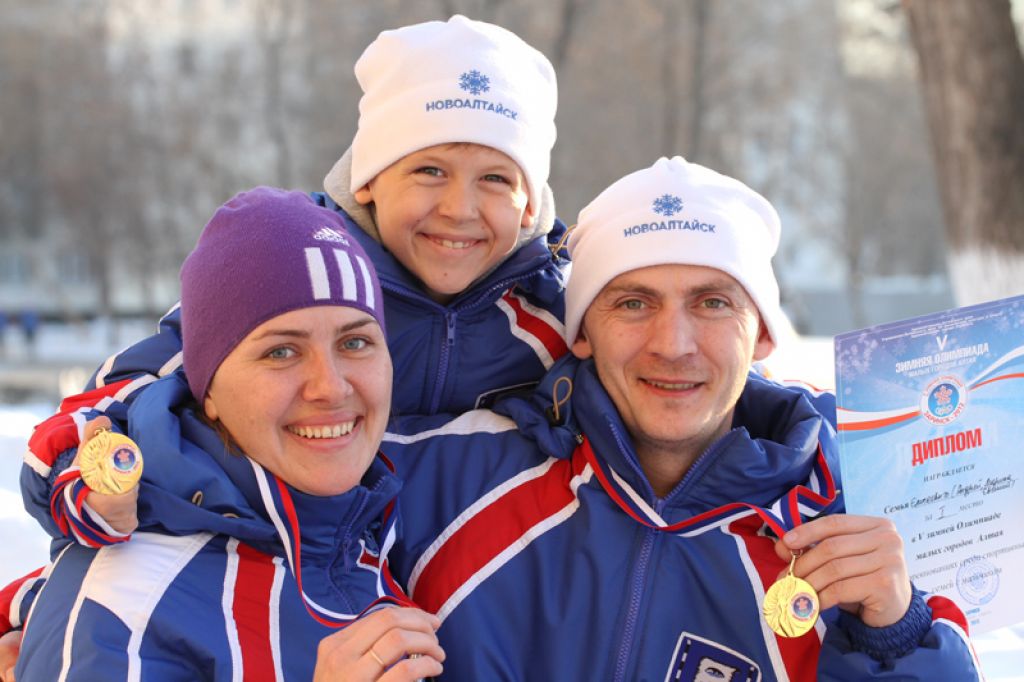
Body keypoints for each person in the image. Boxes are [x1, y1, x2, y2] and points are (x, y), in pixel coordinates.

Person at [375, 158, 981, 679]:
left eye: (712, 303)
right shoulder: (438, 480)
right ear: (582, 330)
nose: (673, 344)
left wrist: (896, 634)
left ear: (764, 333)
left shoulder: (864, 511)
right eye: (634, 303)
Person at [14, 188, 444, 681]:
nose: (330, 386)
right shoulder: (125, 598)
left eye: (355, 342)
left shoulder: (365, 551)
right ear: (208, 390)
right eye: (281, 352)